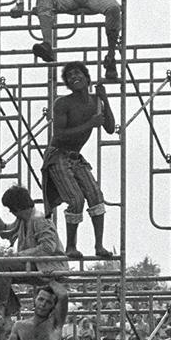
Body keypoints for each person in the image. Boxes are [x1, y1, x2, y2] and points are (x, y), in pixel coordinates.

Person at [41, 62, 115, 259]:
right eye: (70, 75)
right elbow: (60, 134)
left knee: (96, 196)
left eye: (78, 73)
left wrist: (105, 99)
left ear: (86, 77)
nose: (74, 77)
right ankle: (71, 246)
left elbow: (109, 127)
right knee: (76, 200)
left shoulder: (95, 101)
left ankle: (99, 246)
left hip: (75, 156)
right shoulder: (62, 104)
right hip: (58, 155)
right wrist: (89, 124)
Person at [0, 186, 69, 322]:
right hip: (37, 266)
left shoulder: (39, 219)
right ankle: (3, 310)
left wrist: (21, 255)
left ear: (17, 207)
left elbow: (48, 247)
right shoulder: (24, 220)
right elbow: (5, 232)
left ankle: (1, 309)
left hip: (49, 268)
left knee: (2, 267)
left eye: (11, 208)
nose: (10, 211)